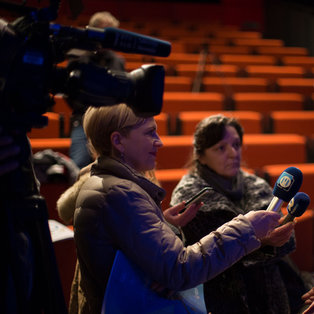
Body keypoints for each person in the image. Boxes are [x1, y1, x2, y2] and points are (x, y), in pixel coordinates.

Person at [58, 103, 291, 314]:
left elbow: (134, 245)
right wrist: (246, 227)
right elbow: (180, 270)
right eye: (150, 132)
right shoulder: (120, 193)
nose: (159, 141)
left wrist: (164, 223)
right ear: (118, 141)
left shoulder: (110, 186)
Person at [170, 114, 313, 314]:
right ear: (201, 155)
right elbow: (211, 258)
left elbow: (287, 244)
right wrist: (263, 244)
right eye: (221, 148)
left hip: (273, 291)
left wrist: (281, 234)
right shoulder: (190, 196)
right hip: (222, 299)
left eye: (236, 144)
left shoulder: (255, 184)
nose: (233, 153)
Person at [66, 11, 125, 169]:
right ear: (92, 31)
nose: (107, 38)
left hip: (112, 124)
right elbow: (71, 94)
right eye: (104, 32)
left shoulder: (118, 61)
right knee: (78, 167)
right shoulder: (78, 58)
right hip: (84, 121)